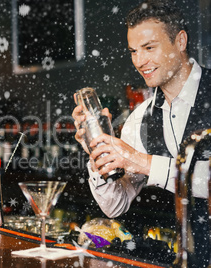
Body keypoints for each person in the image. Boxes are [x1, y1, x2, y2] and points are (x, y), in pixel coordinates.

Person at [72, 0, 210, 219]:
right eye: (134, 51)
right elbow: (116, 205)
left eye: (149, 48)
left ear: (180, 41)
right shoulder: (139, 120)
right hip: (177, 251)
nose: (140, 61)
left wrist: (141, 161)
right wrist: (97, 154)